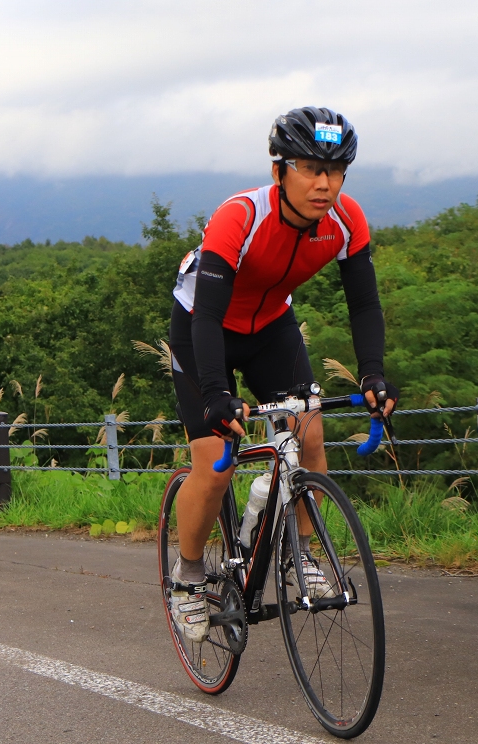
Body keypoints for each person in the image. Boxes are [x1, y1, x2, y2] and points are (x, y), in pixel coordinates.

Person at [167, 106, 397, 642]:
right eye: (310, 169)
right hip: (205, 328)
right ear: (279, 171)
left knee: (309, 433)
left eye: (336, 170)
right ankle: (189, 573)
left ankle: (302, 555)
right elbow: (206, 316)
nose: (324, 184)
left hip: (272, 327)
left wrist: (373, 375)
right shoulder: (240, 217)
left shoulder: (345, 221)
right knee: (214, 464)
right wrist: (217, 394)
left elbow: (364, 304)